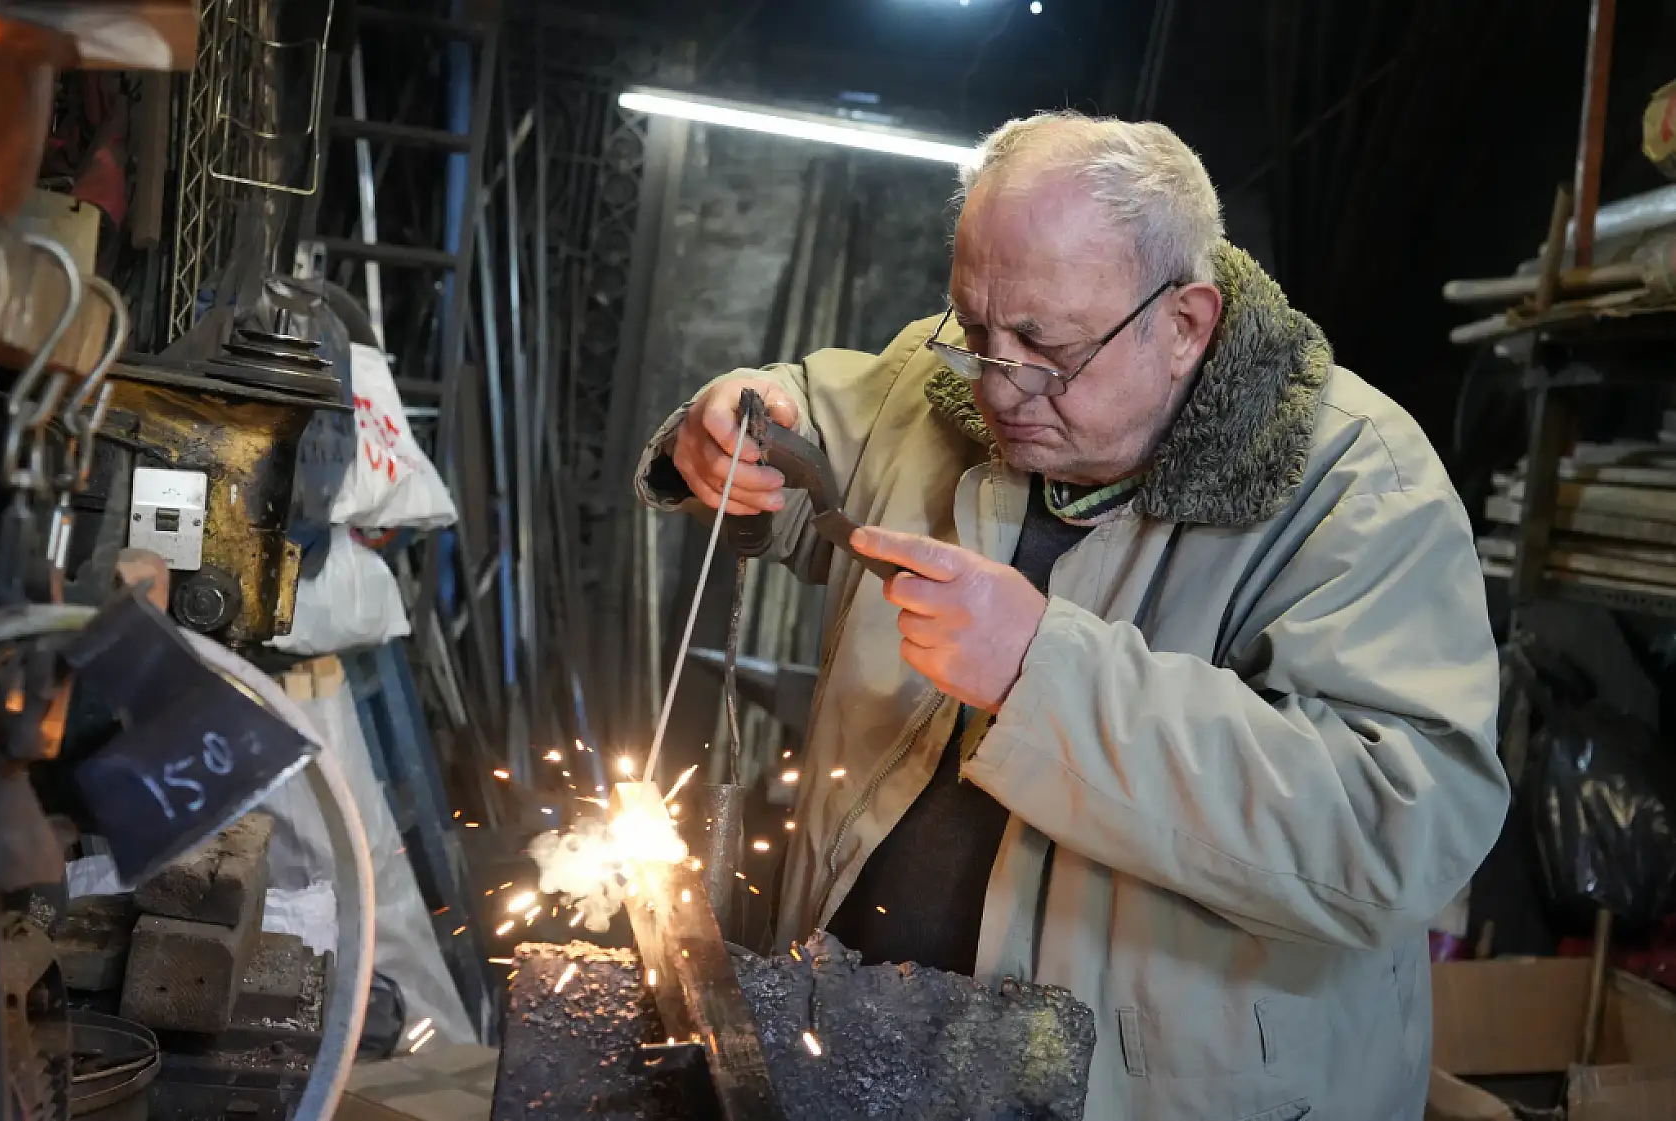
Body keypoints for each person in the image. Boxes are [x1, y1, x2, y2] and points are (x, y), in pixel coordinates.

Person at [636, 111, 1508, 1120]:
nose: (996, 382)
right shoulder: (949, 376)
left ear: (1184, 324)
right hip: (858, 1053)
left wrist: (1039, 673)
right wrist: (736, 424)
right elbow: (822, 411)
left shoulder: (1358, 484)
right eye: (974, 329)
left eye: (1041, 347)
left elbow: (1391, 828)